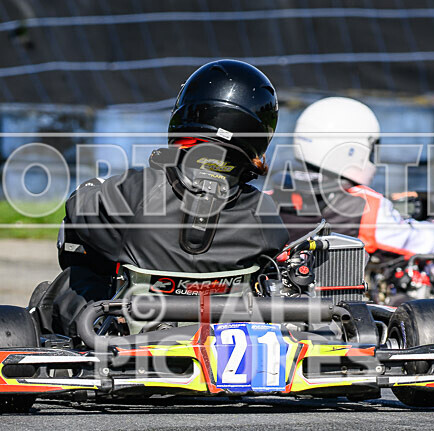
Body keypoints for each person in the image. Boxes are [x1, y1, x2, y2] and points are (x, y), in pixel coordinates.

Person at [32, 60, 290, 335]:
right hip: (224, 338)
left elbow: (78, 211)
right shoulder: (262, 213)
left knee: (71, 281)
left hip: (135, 339)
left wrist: (93, 186)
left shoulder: (135, 191)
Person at [268, 97, 434, 258]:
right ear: (352, 150)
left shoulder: (270, 197)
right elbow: (419, 242)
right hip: (340, 285)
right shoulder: (366, 205)